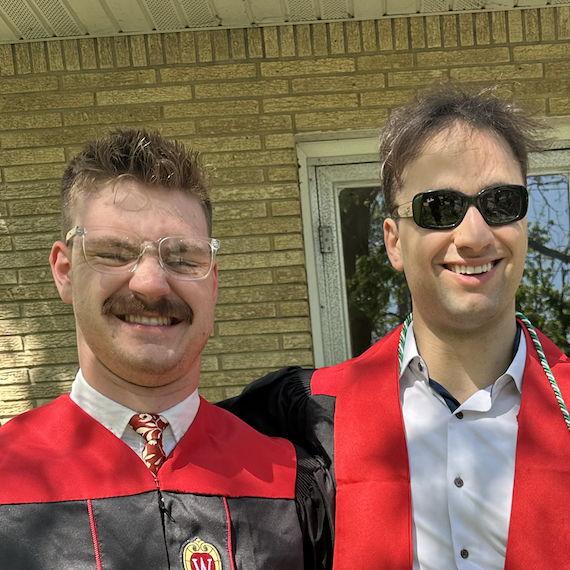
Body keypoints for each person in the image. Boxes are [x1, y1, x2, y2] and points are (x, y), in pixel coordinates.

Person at [220, 86, 570, 569]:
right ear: (393, 243)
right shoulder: (309, 419)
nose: (474, 236)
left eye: (501, 202)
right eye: (439, 208)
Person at [0, 129, 333, 569]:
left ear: (213, 284)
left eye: (183, 258)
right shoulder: (8, 477)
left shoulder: (292, 482)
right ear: (64, 271)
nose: (151, 284)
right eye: (114, 252)